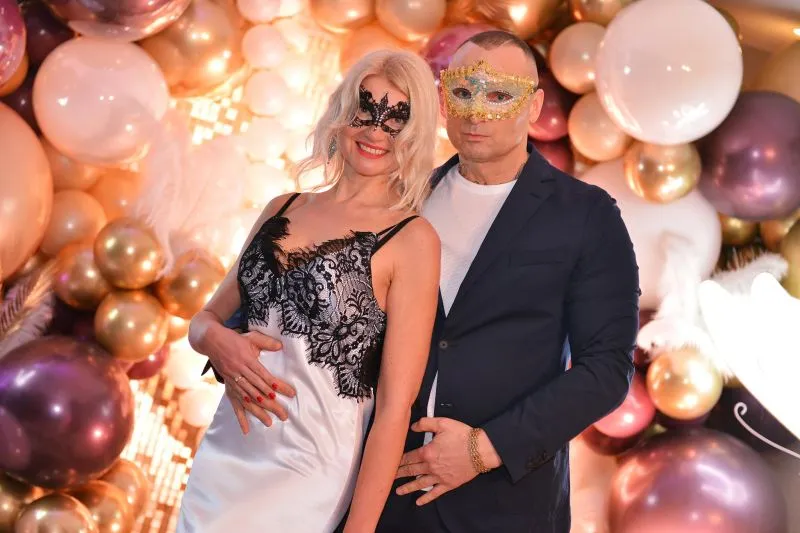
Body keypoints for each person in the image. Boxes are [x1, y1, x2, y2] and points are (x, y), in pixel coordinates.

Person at [211, 30, 639, 533]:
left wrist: (485, 449)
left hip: (504, 505)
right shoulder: (405, 202)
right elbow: (282, 296)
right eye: (463, 92)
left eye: (499, 95)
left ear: (534, 106)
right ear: (443, 100)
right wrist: (227, 349)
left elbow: (606, 370)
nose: (477, 112)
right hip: (378, 491)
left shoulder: (586, 214)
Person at [176, 49, 441, 533]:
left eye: (395, 119)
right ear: (341, 111)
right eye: (365, 109)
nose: (375, 131)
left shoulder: (412, 239)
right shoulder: (284, 206)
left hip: (309, 468)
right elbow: (204, 321)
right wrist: (217, 341)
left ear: (414, 134)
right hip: (227, 451)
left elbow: (394, 410)